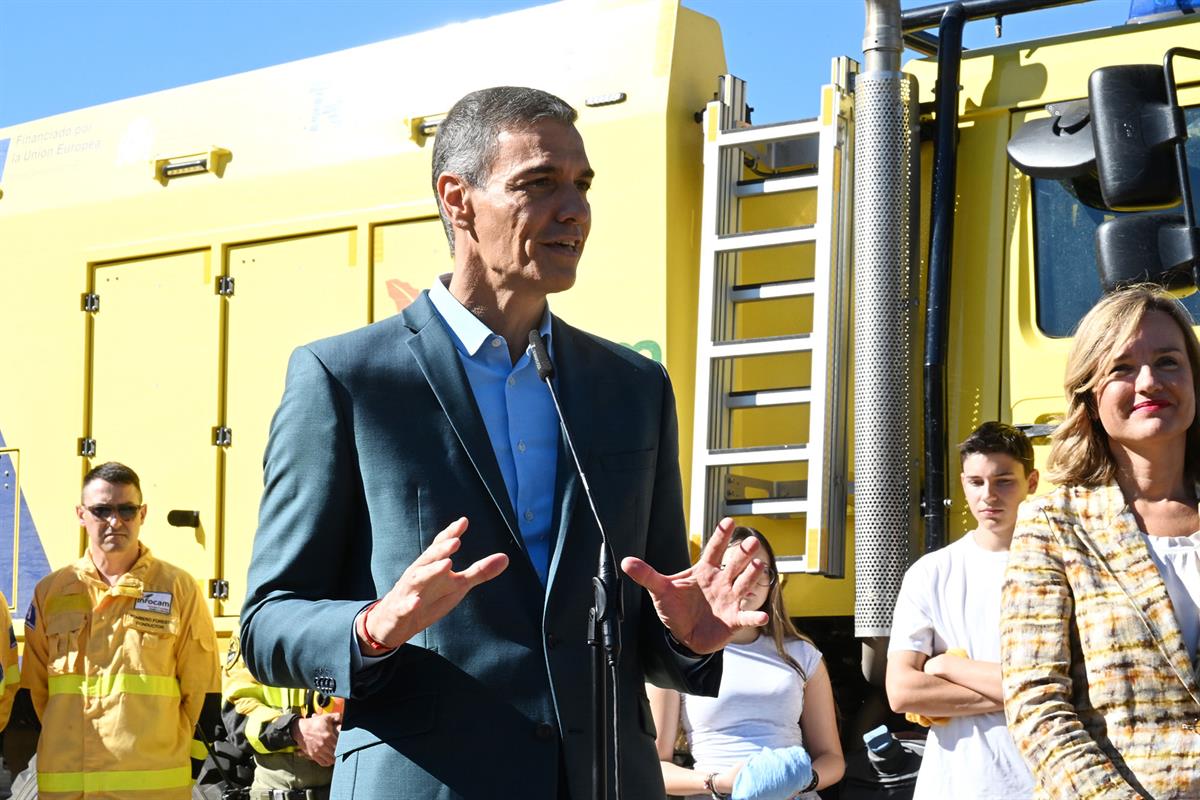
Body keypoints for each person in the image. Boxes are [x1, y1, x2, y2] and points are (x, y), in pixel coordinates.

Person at [239, 86, 770, 799]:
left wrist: (687, 638)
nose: (574, 209)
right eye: (538, 184)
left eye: (581, 185)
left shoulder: (634, 388)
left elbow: (653, 606)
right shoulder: (347, 378)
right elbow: (268, 622)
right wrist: (374, 624)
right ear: (458, 200)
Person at [1002, 285, 1200, 799]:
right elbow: (1037, 705)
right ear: (1090, 394)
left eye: (1168, 361)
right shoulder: (1052, 523)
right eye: (1122, 368)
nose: (1150, 382)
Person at [20, 461, 221, 799]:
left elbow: (202, 691)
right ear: (81, 514)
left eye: (126, 510)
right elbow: (37, 695)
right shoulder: (51, 592)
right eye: (101, 510)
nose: (115, 521)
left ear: (143, 514)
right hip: (70, 791)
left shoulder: (178, 589)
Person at [885, 422, 1037, 799]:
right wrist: (1030, 693)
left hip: (1041, 783)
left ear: (1032, 482)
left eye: (1004, 481)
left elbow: (1077, 685)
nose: (989, 496)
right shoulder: (931, 572)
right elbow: (901, 691)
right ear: (962, 482)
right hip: (955, 785)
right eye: (976, 482)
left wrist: (948, 668)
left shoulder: (1059, 565)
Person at [647, 527, 844, 800]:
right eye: (732, 568)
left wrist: (796, 781)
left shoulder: (802, 654)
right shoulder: (679, 653)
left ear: (773, 581)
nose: (747, 579)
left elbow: (832, 758)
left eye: (759, 570)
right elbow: (655, 765)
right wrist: (718, 783)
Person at [222, 638, 340, 799]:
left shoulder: (355, 621)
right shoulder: (254, 625)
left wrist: (342, 738)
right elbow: (236, 715)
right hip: (270, 792)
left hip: (343, 790)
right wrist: (295, 730)